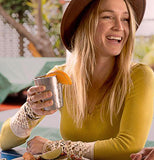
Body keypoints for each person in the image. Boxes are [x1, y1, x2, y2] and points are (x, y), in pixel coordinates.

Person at [0, 0, 154, 159]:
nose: (120, 27)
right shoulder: (60, 77)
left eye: (125, 19)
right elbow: (4, 141)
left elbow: (128, 147)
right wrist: (31, 112)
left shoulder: (139, 76)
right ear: (84, 22)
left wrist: (53, 146)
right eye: (108, 17)